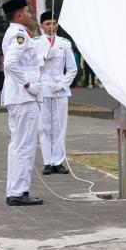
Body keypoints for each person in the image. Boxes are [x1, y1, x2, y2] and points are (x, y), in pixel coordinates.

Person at [1, 0, 44, 206]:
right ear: (19, 14)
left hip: (17, 97)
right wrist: (28, 84)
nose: (30, 15)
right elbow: (10, 64)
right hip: (23, 97)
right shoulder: (20, 35)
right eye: (27, 11)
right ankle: (18, 192)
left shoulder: (12, 33)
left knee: (18, 145)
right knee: (24, 145)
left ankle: (15, 190)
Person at [33, 11, 78, 175]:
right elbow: (31, 67)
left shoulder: (64, 43)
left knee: (60, 127)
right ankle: (47, 162)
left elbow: (72, 69)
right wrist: (43, 58)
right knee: (43, 127)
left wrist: (62, 84)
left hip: (60, 90)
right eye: (47, 24)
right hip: (43, 89)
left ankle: (58, 161)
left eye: (53, 23)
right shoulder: (35, 43)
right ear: (41, 26)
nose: (51, 27)